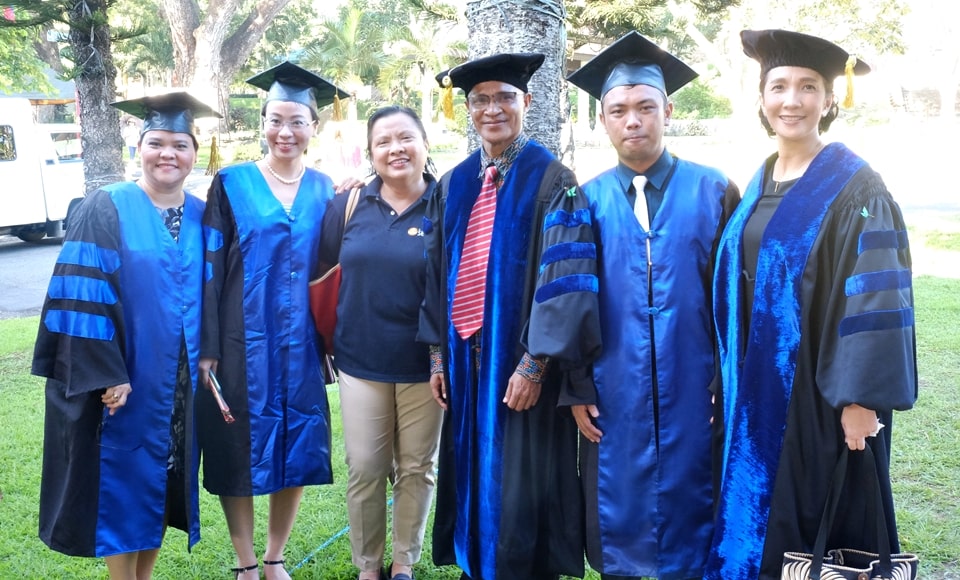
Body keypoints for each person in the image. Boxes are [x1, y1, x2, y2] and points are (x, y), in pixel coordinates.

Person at [704, 29, 918, 580]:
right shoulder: (761, 179)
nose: (791, 100)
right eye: (778, 86)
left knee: (809, 521)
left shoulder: (855, 187)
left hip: (819, 400)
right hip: (751, 393)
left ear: (830, 99)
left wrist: (861, 400)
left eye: (808, 87)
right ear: (761, 98)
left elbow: (876, 296)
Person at [564, 31, 740, 580]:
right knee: (621, 509)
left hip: (696, 382)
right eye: (618, 110)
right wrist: (576, 385)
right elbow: (567, 301)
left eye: (645, 107)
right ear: (603, 119)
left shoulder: (715, 190)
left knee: (697, 500)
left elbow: (736, 299)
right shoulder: (584, 200)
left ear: (668, 109)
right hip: (612, 384)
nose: (632, 120)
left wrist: (725, 380)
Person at [420, 52, 602, 580]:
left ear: (527, 101)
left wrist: (535, 364)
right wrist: (437, 356)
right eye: (481, 100)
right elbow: (435, 274)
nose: (492, 109)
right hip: (463, 364)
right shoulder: (453, 184)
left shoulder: (554, 179)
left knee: (522, 481)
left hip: (520, 368)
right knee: (472, 471)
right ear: (468, 109)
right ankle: (478, 567)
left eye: (504, 97)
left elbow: (566, 281)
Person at [32, 92, 220, 579]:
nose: (168, 155)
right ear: (139, 147)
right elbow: (81, 296)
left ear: (195, 153)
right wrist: (107, 374)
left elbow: (217, 292)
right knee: (124, 480)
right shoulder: (107, 205)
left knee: (163, 478)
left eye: (180, 145)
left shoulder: (205, 216)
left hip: (179, 382)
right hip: (124, 379)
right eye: (156, 143)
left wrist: (210, 356)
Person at [198, 61, 349, 580]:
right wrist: (208, 344)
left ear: (314, 127)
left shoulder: (326, 188)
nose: (286, 132)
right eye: (276, 120)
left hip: (303, 343)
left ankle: (274, 557)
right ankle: (244, 563)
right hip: (240, 341)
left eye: (298, 121)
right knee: (235, 445)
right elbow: (209, 268)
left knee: (300, 442)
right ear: (262, 122)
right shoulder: (232, 182)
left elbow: (333, 266)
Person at [318, 106, 444, 580]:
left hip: (424, 365)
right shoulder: (348, 205)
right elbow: (322, 274)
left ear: (424, 143)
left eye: (405, 137)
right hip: (360, 360)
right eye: (384, 141)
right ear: (371, 152)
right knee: (367, 467)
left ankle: (404, 563)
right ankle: (368, 566)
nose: (396, 149)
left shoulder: (446, 203)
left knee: (416, 467)